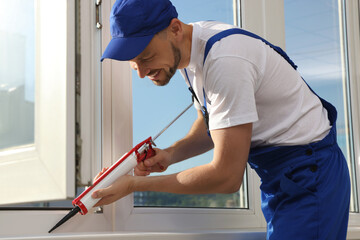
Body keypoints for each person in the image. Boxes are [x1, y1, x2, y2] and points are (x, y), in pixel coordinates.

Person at [92, 0, 351, 239]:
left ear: (174, 29)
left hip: (310, 173)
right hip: (283, 176)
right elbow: (210, 126)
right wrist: (170, 155)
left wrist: (133, 185)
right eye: (132, 62)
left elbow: (226, 177)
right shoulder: (187, 56)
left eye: (146, 57)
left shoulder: (225, 60)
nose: (141, 72)